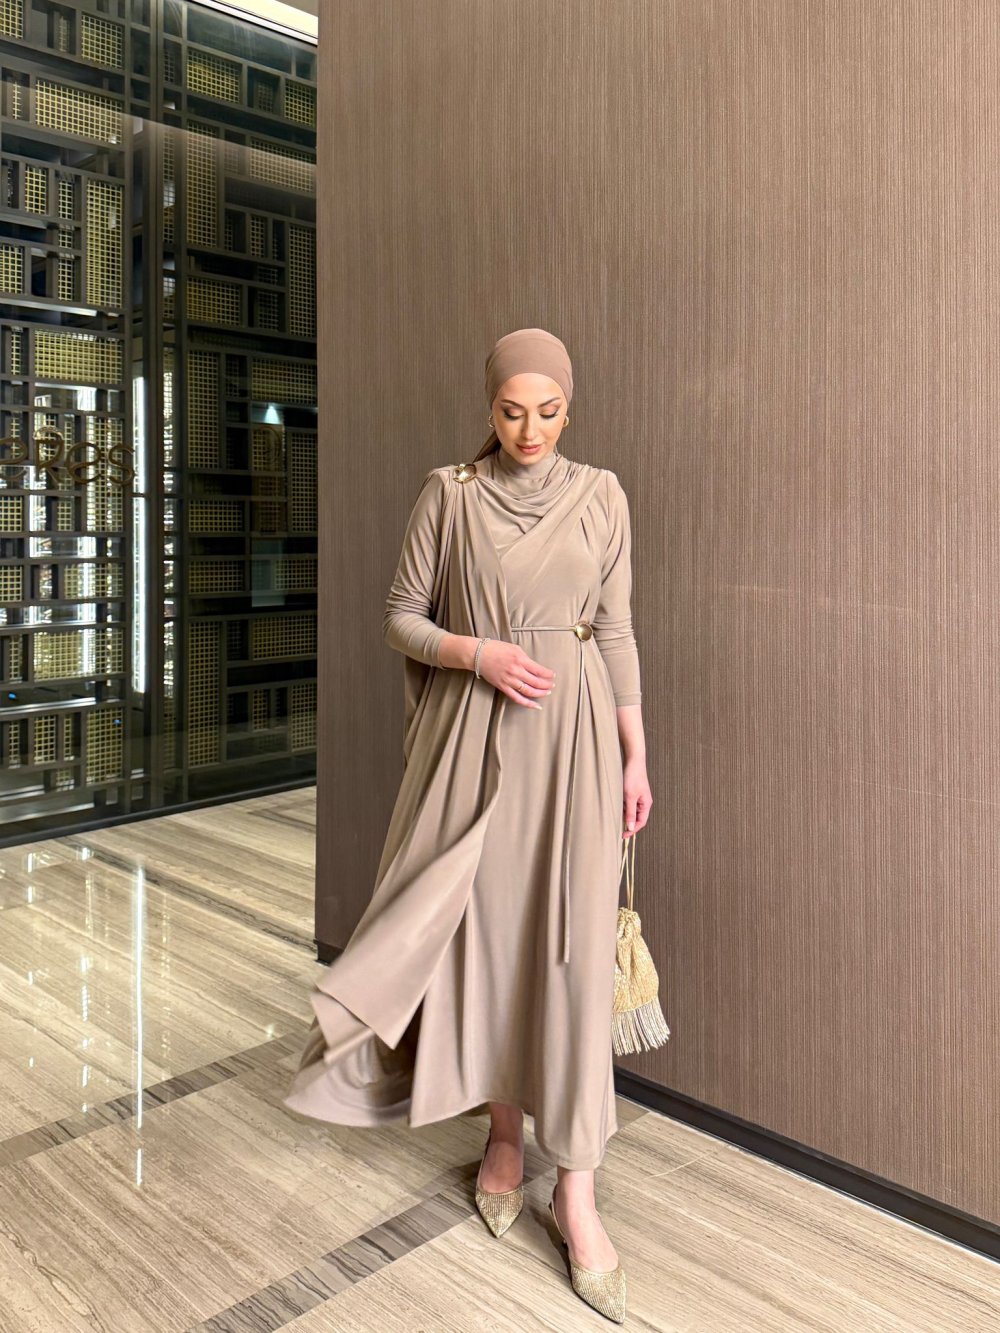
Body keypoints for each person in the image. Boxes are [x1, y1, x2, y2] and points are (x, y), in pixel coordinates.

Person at [283, 327, 652, 1324]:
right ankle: (502, 1136)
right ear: (489, 405)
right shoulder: (448, 494)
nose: (530, 430)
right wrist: (478, 654)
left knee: (572, 957)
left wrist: (635, 755)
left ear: (569, 407)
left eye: (548, 411)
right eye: (510, 410)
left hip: (575, 748)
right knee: (492, 946)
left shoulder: (602, 494)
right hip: (480, 747)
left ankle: (576, 1191)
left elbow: (616, 628)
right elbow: (400, 614)